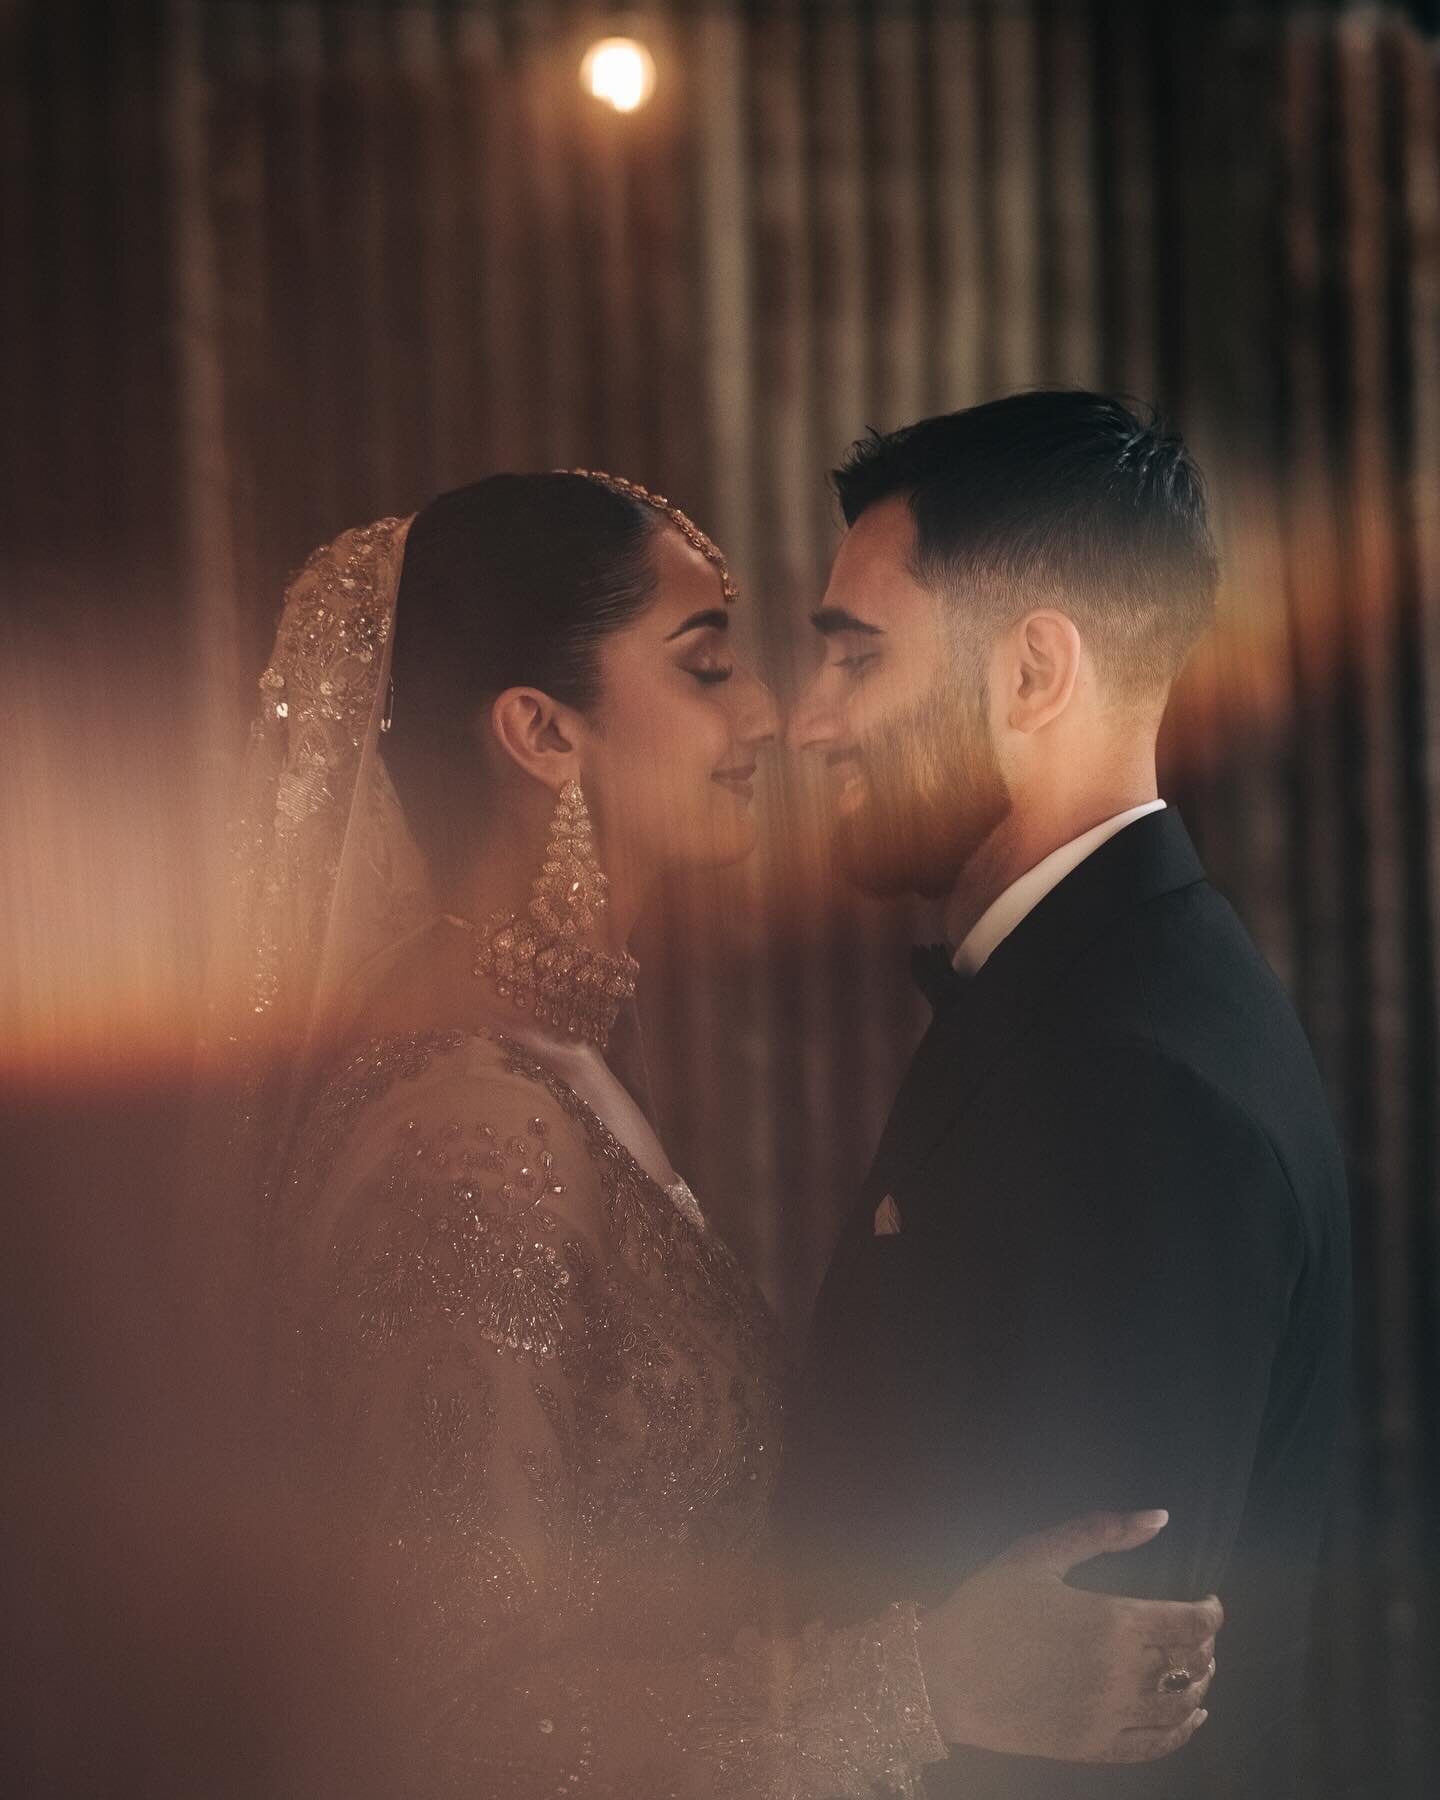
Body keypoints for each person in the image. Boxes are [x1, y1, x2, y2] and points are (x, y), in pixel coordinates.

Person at [214, 470, 1220, 1798]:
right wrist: (929, 1686)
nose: (768, 715)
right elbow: (451, 1735)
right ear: (542, 733)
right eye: (707, 670)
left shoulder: (547, 1067)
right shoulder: (461, 1136)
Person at [781, 392, 1351, 1799]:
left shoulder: (1130, 1079)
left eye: (857, 660)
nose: (810, 723)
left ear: (1034, 671)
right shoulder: (1094, 990)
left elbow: (1095, 1738)